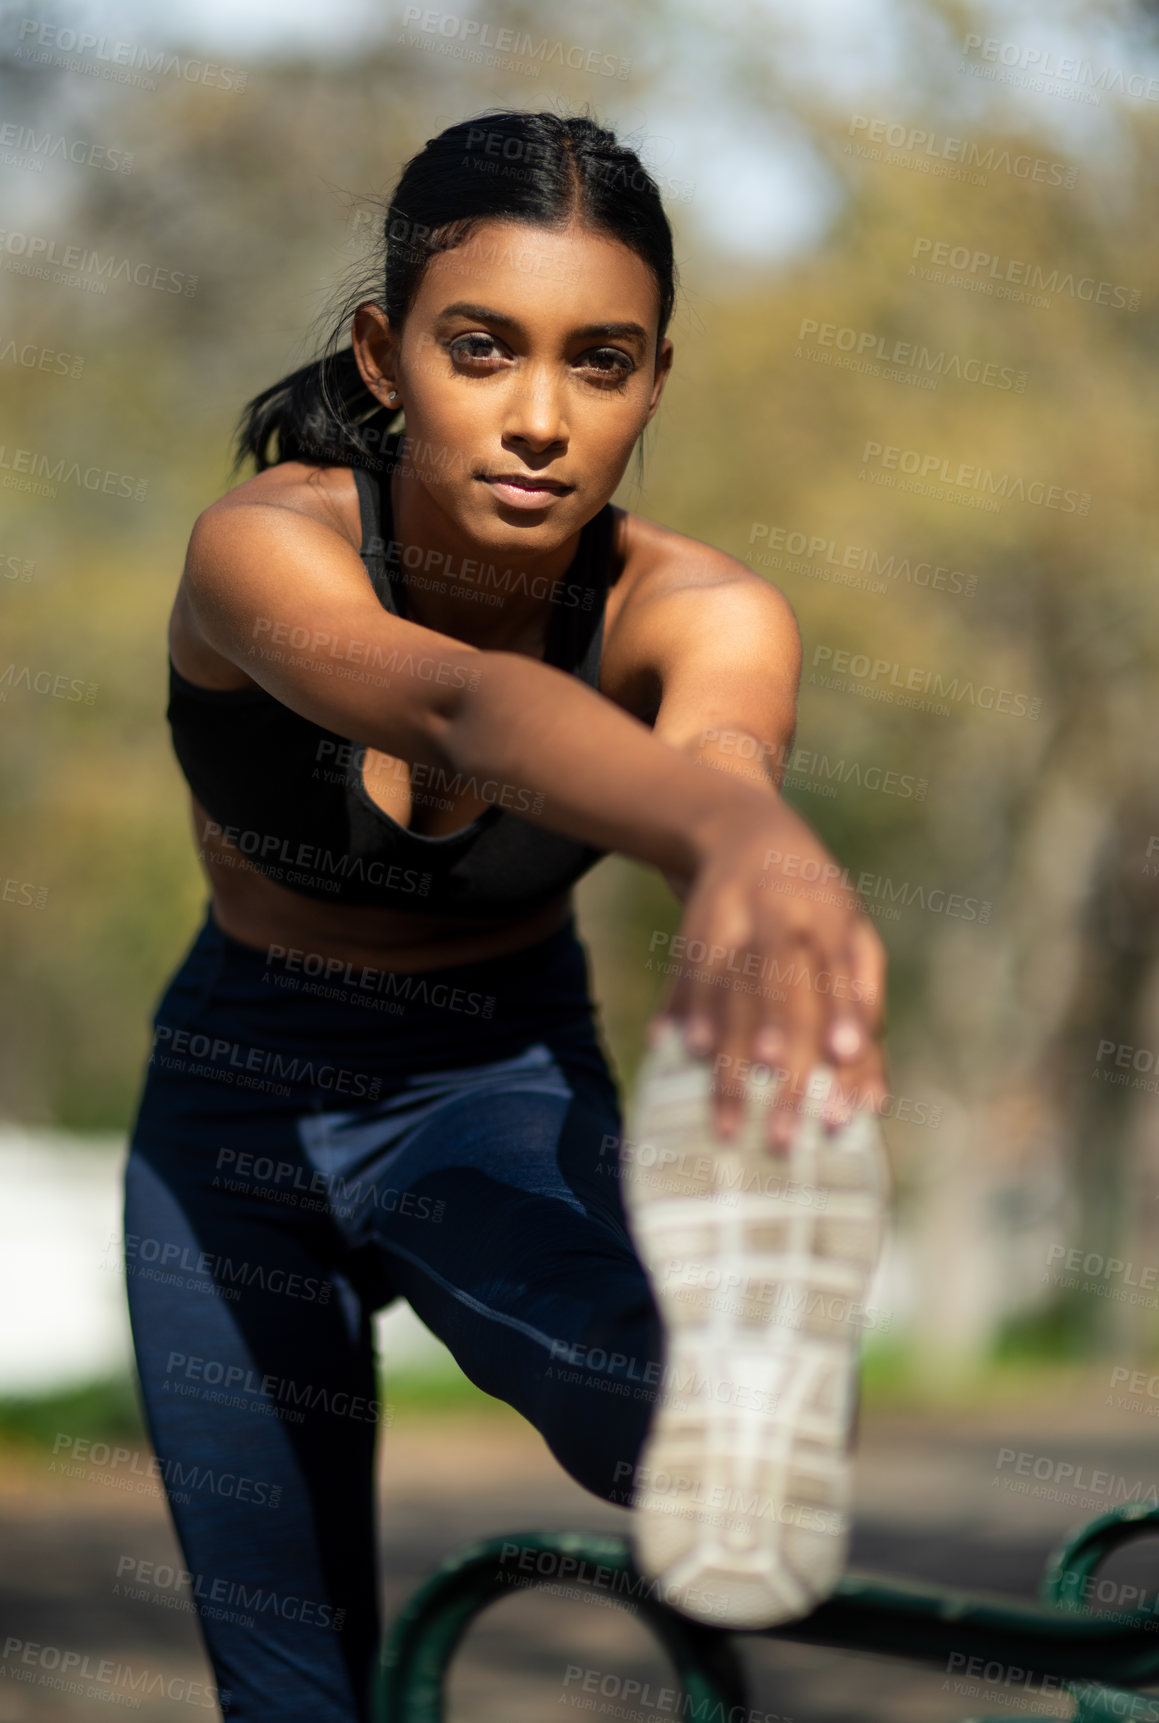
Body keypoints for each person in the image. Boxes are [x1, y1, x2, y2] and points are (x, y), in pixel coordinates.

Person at [123, 108, 889, 1722]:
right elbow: (460, 708)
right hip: (233, 1111)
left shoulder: (701, 609)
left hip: (491, 1087)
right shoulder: (261, 553)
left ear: (656, 382)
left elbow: (725, 750)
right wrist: (718, 838)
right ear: (383, 355)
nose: (540, 419)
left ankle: (741, 1402)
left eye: (599, 364)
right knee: (290, 1698)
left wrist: (754, 844)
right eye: (483, 350)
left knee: (646, 1415)